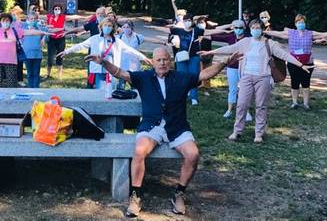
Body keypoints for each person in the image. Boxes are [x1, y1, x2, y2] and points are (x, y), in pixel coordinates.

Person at [86, 46, 243, 217]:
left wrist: (225, 62)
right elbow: (120, 73)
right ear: (152, 62)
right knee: (139, 152)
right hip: (151, 126)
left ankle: (179, 193)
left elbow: (204, 75)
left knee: (193, 155)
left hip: (177, 126)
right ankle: (136, 196)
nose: (162, 63)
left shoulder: (181, 77)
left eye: (165, 59)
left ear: (171, 61)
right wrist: (103, 62)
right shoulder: (143, 77)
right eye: (158, 60)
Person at [199, 19, 312, 143]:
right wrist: (210, 52)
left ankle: (258, 134)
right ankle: (237, 131)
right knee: (242, 104)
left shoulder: (270, 44)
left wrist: (301, 65)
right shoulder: (246, 42)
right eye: (253, 28)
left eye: (258, 28)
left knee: (261, 106)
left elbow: (285, 55)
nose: (255, 30)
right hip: (246, 77)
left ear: (262, 29)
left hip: (263, 78)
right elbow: (230, 48)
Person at [265, 14, 327, 109]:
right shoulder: (291, 33)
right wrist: (264, 31)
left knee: (306, 83)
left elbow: (323, 34)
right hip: (293, 62)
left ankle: (306, 104)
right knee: (295, 82)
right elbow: (278, 33)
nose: (301, 24)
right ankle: (295, 103)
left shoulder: (310, 33)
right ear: (295, 23)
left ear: (305, 23)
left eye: (302, 22)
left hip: (308, 62)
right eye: (299, 22)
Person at [57, 17, 150, 89]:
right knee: (100, 92)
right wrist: (67, 51)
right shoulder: (95, 39)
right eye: (105, 25)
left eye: (110, 26)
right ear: (101, 26)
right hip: (99, 71)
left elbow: (130, 50)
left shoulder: (117, 41)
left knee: (111, 92)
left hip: (113, 71)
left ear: (113, 27)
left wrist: (144, 58)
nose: (107, 27)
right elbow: (81, 45)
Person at [204, 19, 252, 120]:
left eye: (240, 28)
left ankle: (246, 112)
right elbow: (213, 35)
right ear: (233, 28)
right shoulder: (230, 37)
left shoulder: (249, 39)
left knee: (245, 90)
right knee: (232, 89)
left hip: (245, 67)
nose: (238, 30)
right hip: (232, 67)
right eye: (236, 28)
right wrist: (201, 36)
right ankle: (229, 110)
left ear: (244, 29)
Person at [22, 11, 48, 88]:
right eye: (31, 19)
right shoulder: (24, 28)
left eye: (34, 19)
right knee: (29, 74)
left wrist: (43, 38)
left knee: (36, 73)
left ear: (37, 20)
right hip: (27, 54)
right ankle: (30, 88)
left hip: (37, 54)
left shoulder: (40, 28)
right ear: (28, 19)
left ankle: (36, 89)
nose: (32, 20)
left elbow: (46, 31)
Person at [44, 4, 67, 80]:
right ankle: (48, 74)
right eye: (55, 9)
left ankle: (59, 76)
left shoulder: (63, 17)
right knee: (50, 58)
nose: (57, 10)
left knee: (60, 57)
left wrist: (87, 17)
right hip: (51, 39)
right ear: (53, 10)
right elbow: (49, 30)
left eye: (58, 9)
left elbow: (75, 17)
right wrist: (62, 29)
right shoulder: (49, 17)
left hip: (61, 39)